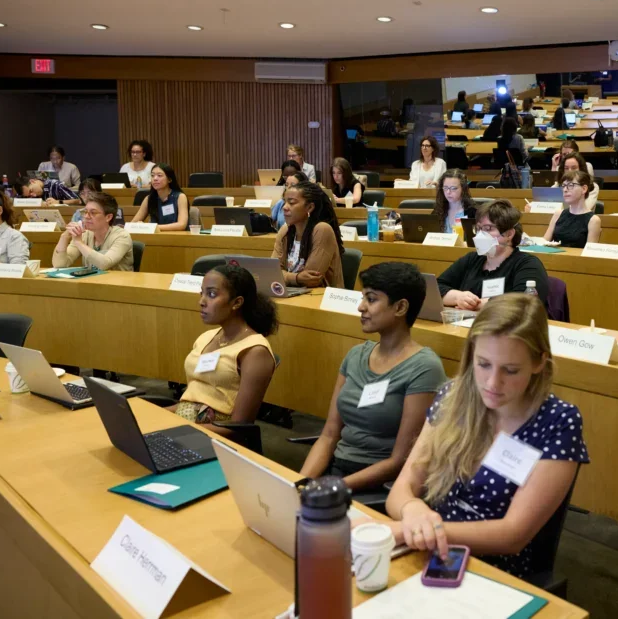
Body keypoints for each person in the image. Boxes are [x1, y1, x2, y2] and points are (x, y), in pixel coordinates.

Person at [385, 294, 589, 578]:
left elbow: (512, 535)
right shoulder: (453, 396)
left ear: (540, 362)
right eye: (483, 364)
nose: (493, 383)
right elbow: (401, 489)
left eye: (511, 370)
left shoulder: (559, 422)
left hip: (495, 570)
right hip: (428, 549)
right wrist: (412, 509)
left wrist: (414, 529)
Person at [300, 262, 447, 492]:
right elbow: (329, 435)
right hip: (335, 472)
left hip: (379, 484)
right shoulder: (356, 355)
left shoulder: (425, 368)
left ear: (400, 307)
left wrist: (333, 488)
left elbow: (400, 460)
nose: (360, 307)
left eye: (371, 299)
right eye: (362, 298)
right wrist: (301, 483)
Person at [174, 263, 277, 433]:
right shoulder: (206, 337)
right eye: (202, 293)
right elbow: (190, 401)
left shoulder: (255, 351)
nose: (201, 302)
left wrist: (181, 429)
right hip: (185, 423)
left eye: (212, 294)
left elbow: (240, 426)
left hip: (214, 438)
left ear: (237, 303)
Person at [438, 200, 549, 310]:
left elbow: (523, 303)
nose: (481, 234)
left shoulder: (528, 264)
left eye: (488, 229)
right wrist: (458, 297)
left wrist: (475, 304)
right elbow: (436, 287)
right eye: (479, 228)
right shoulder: (471, 259)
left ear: (509, 234)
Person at [272, 181, 344, 288]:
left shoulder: (322, 230)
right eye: (284, 202)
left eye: (291, 203)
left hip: (321, 298)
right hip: (294, 293)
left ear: (310, 207)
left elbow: (311, 280)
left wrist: (285, 276)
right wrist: (296, 278)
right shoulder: (285, 230)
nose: (285, 207)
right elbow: (272, 273)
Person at [52, 193, 134, 272]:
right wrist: (64, 236)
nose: (87, 217)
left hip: (118, 284)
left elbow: (105, 264)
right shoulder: (84, 234)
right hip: (92, 283)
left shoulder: (122, 236)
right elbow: (59, 264)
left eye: (93, 213)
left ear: (108, 217)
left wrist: (79, 243)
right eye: (85, 212)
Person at [541, 170, 601, 248]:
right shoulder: (558, 214)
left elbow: (590, 255)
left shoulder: (593, 220)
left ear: (584, 189)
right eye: (563, 186)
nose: (565, 190)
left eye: (570, 185)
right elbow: (544, 243)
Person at [130, 164, 189, 231]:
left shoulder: (180, 197)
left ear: (169, 179)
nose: (155, 178)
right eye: (152, 175)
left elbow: (181, 225)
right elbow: (132, 224)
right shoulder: (149, 199)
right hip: (155, 238)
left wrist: (151, 227)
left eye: (159, 175)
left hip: (178, 237)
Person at [433, 169, 476, 233]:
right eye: (445, 188)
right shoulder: (438, 210)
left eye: (453, 188)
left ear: (463, 189)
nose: (448, 192)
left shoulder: (473, 212)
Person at [270, 164, 307, 229]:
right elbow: (270, 221)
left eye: (293, 185)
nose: (288, 187)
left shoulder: (306, 204)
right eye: (286, 185)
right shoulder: (281, 202)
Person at [13, 174, 81, 206]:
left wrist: (58, 202)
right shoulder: (27, 195)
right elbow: (14, 201)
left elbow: (78, 201)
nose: (33, 195)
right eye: (29, 196)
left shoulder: (55, 185)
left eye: (31, 191)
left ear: (32, 181)